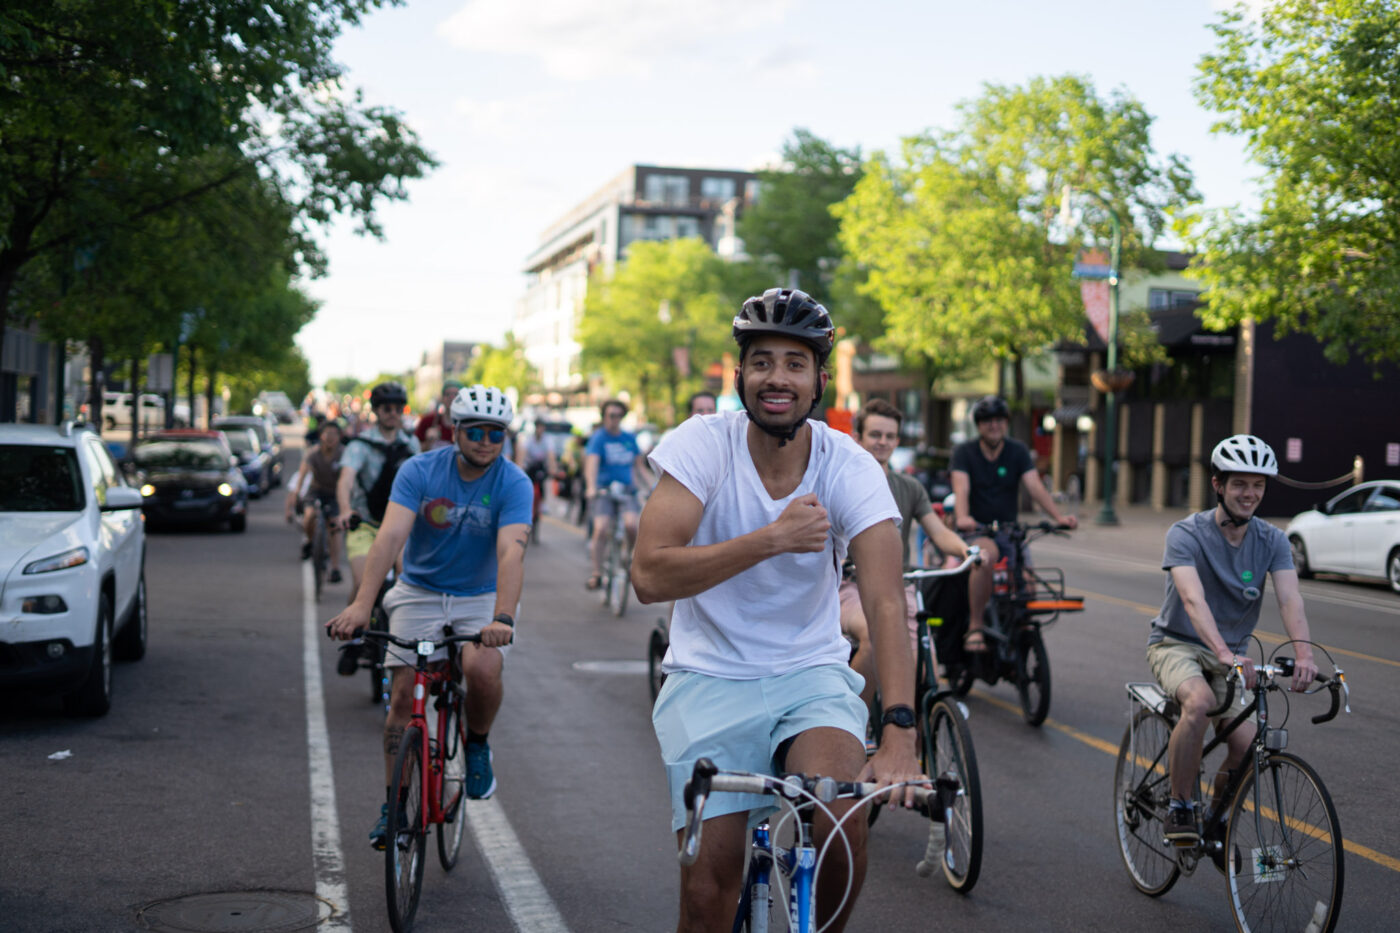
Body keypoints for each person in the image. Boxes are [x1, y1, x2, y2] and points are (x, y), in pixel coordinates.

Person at [632, 287, 925, 932]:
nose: (777, 377)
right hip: (707, 677)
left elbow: (882, 598)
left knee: (841, 816)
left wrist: (900, 730)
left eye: (795, 364)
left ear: (820, 380)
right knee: (708, 893)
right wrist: (771, 540)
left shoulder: (847, 463)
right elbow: (650, 574)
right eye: (762, 361)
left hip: (809, 676)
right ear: (739, 375)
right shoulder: (702, 445)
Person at [326, 384, 532, 848]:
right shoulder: (418, 469)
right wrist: (362, 604)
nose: (485, 441)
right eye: (475, 431)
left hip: (480, 596)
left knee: (481, 668)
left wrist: (503, 617)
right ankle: (394, 806)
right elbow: (390, 537)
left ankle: (476, 744)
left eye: (495, 433)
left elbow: (511, 554)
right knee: (403, 699)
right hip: (418, 590)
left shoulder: (514, 482)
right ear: (454, 430)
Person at [1146, 434, 1318, 844]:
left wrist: (1305, 654)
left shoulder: (1273, 540)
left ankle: (1217, 817)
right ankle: (1180, 804)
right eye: (1240, 483)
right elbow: (1191, 598)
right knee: (1200, 703)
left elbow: (1291, 598)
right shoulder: (1186, 533)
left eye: (1258, 485)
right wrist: (1223, 651)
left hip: (1231, 655)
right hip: (1177, 644)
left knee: (1244, 747)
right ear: (1218, 484)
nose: (1250, 494)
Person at [839, 399, 970, 708]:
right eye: (875, 435)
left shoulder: (909, 487)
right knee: (875, 635)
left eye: (889, 436)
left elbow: (938, 532)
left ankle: (920, 743)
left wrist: (966, 550)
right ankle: (851, 725)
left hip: (900, 586)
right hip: (851, 587)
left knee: (927, 669)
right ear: (858, 437)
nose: (883, 442)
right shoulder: (841, 482)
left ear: (897, 440)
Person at [950, 395, 1077, 653]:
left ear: (1005, 423)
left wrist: (1059, 518)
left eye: (999, 420)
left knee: (1027, 583)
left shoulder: (1017, 451)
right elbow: (961, 488)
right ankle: (975, 627)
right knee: (985, 557)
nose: (994, 425)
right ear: (979, 425)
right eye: (987, 421)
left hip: (1010, 529)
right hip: (978, 529)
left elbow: (1035, 487)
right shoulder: (964, 452)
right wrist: (963, 517)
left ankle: (1020, 629)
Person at [334, 381, 420, 606]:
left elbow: (423, 484)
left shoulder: (411, 444)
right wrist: (345, 509)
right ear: (376, 411)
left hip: (399, 526)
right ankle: (353, 631)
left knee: (407, 582)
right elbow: (345, 480)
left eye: (398, 409)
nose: (393, 414)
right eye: (386, 409)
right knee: (364, 583)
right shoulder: (359, 445)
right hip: (365, 523)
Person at [583, 399, 649, 591]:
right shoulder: (598, 438)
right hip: (604, 490)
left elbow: (639, 467)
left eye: (619, 416)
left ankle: (629, 561)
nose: (615, 420)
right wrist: (590, 487)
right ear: (604, 417)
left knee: (631, 525)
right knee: (601, 528)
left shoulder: (629, 438)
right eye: (611, 415)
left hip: (627, 489)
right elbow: (591, 464)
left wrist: (653, 485)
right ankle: (596, 573)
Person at [285, 418, 345, 582]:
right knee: (310, 515)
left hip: (335, 493)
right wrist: (297, 492)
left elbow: (348, 480)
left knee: (335, 525)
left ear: (339, 437)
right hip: (316, 490)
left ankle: (335, 567)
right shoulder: (312, 453)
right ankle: (310, 541)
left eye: (334, 434)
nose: (331, 437)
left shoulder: (344, 454)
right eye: (327, 434)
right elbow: (302, 474)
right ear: (321, 436)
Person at [517, 420, 557, 531]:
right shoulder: (529, 439)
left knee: (543, 485)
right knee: (527, 486)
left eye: (542, 428)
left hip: (541, 467)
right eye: (538, 427)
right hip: (530, 467)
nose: (540, 430)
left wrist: (553, 469)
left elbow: (551, 455)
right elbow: (522, 454)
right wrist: (519, 468)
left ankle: (543, 503)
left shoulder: (547, 440)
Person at [414, 379, 462, 451]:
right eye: (447, 394)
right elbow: (415, 451)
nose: (451, 398)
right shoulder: (428, 421)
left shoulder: (467, 424)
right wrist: (428, 442)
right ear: (441, 398)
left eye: (456, 394)